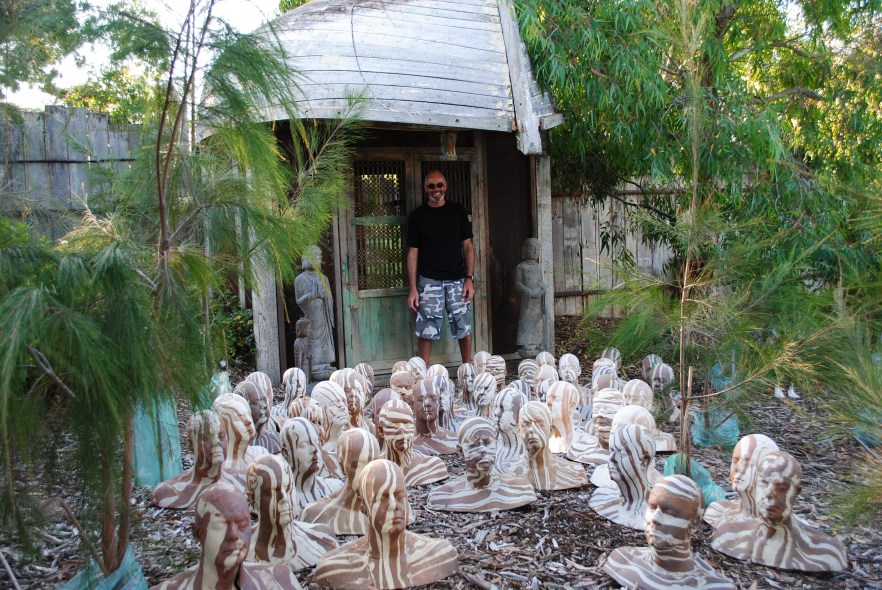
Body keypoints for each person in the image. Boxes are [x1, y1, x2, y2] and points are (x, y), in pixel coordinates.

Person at [406, 170, 474, 365]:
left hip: (457, 280)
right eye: (431, 186)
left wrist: (469, 278)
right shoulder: (417, 216)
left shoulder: (457, 211)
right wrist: (413, 289)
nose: (436, 190)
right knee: (426, 330)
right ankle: (422, 374)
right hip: (429, 280)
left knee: (463, 327)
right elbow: (413, 253)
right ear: (425, 188)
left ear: (446, 186)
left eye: (439, 185)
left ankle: (467, 371)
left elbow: (468, 246)